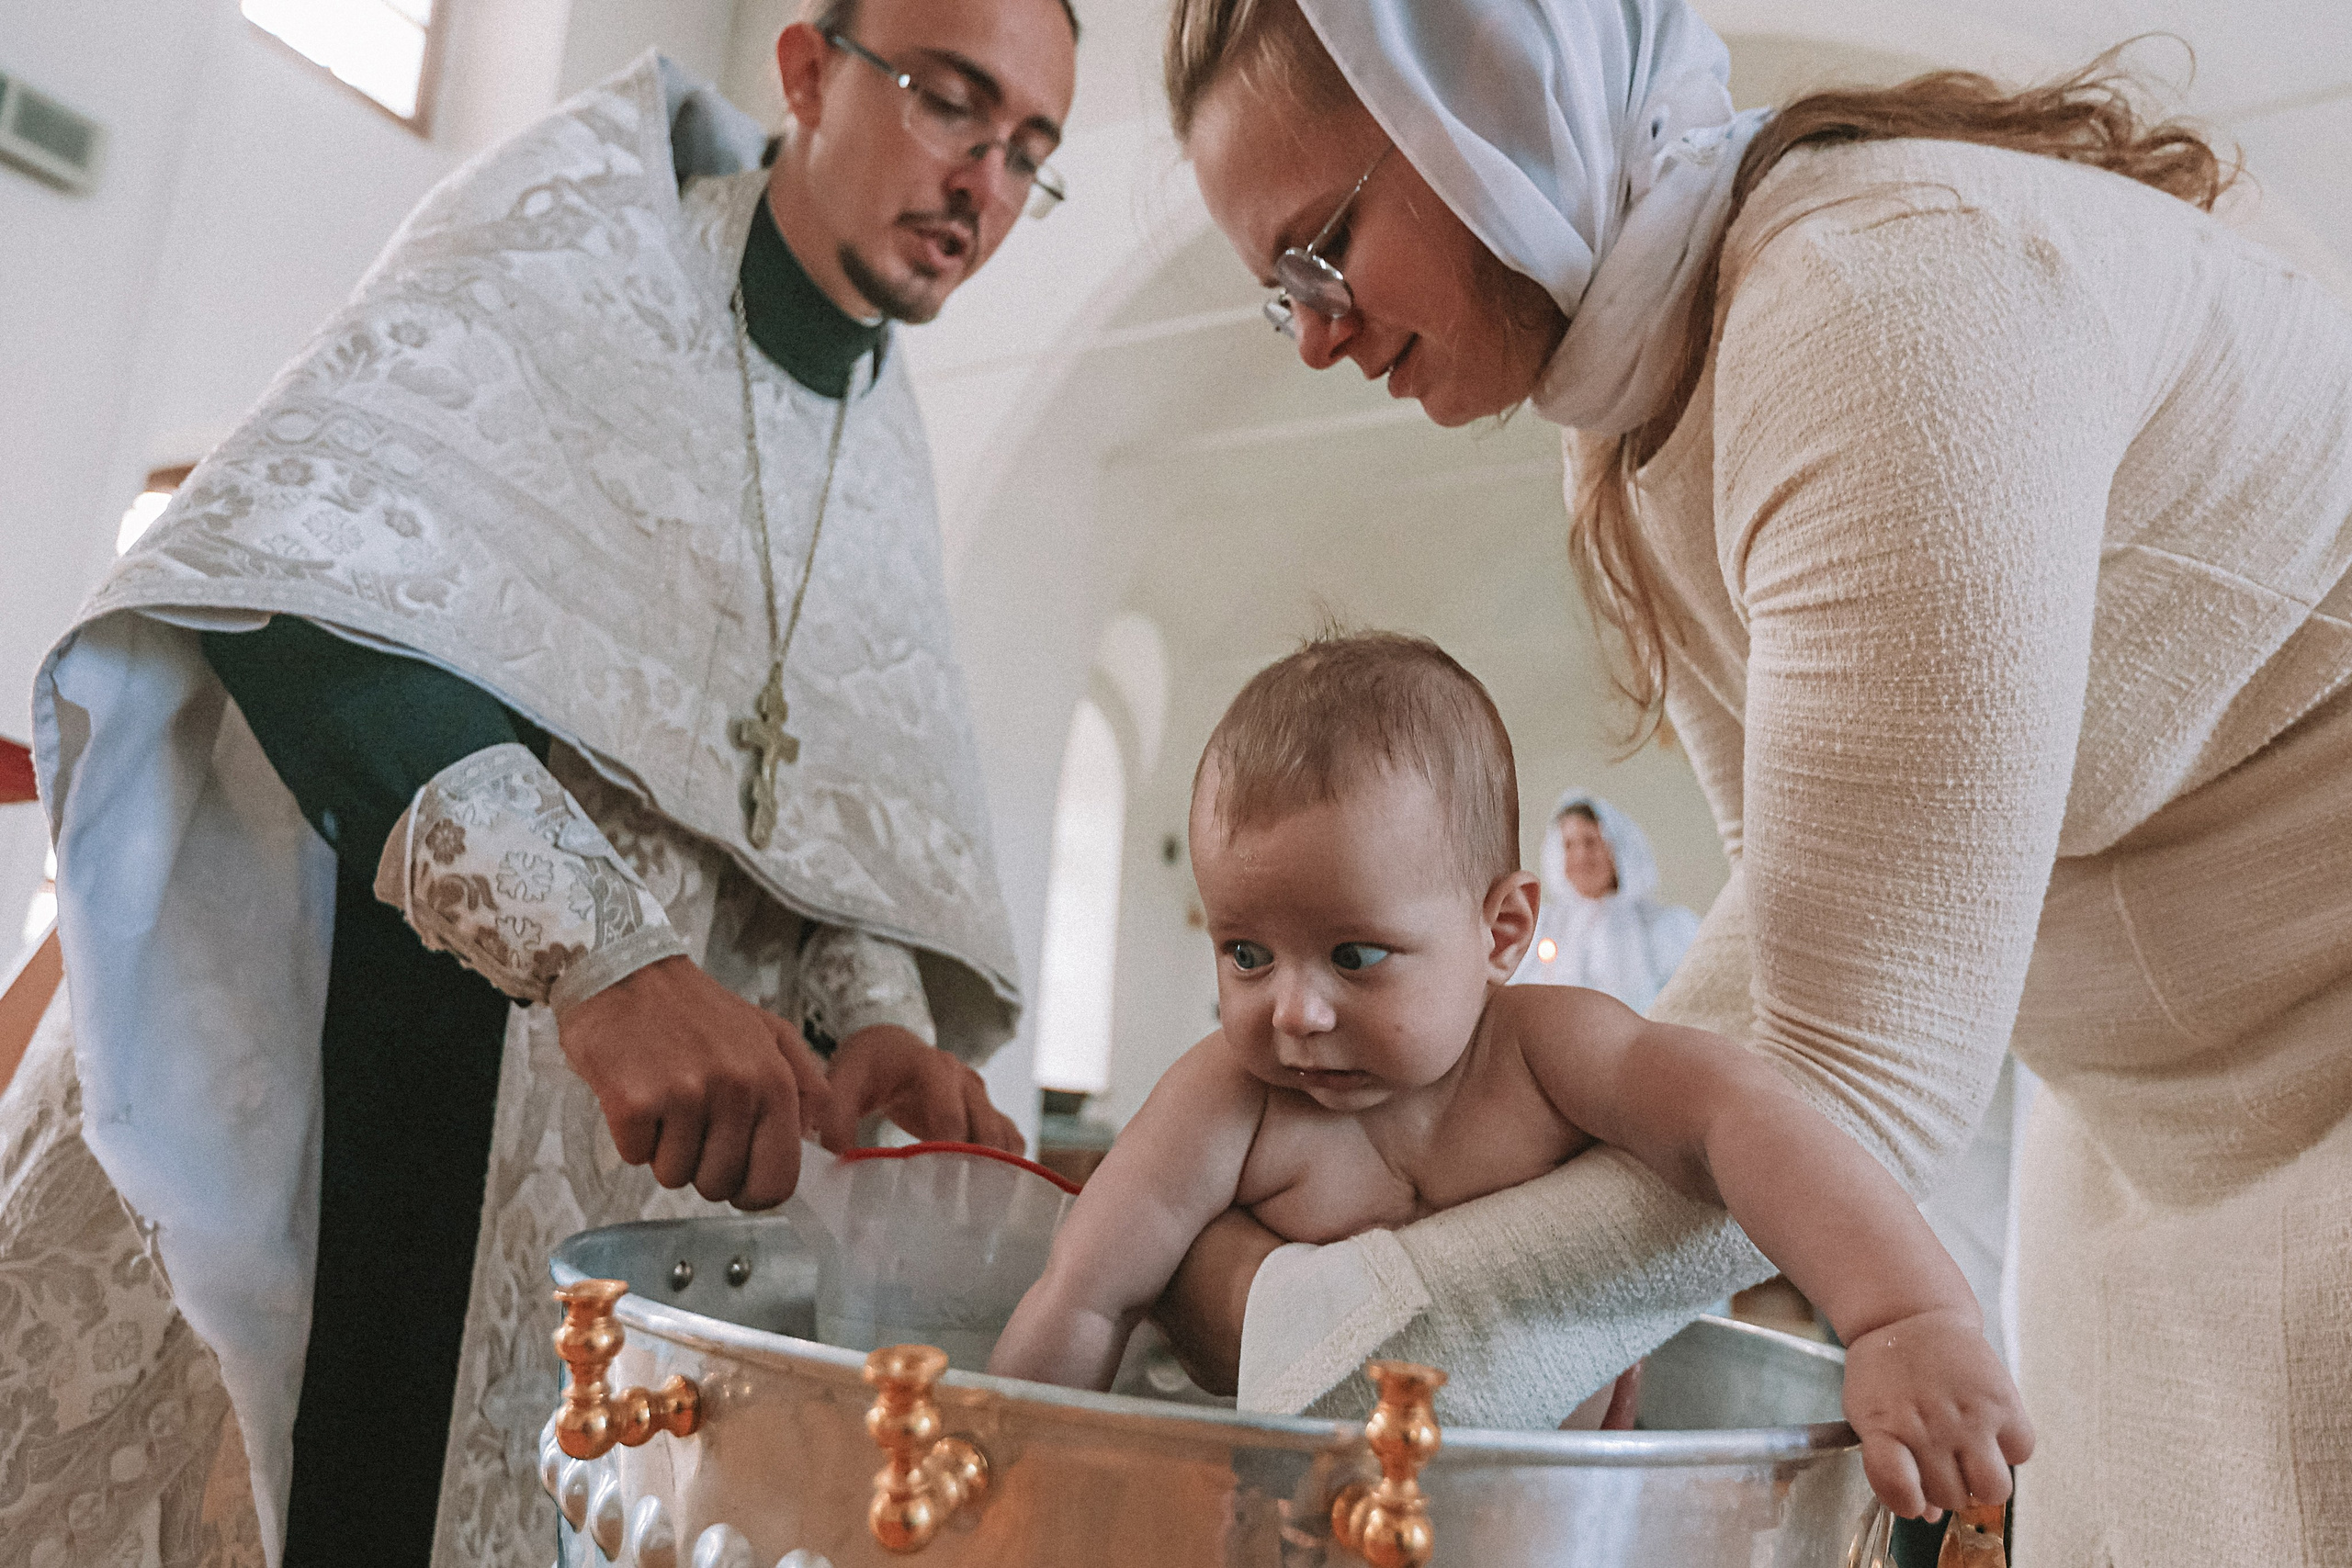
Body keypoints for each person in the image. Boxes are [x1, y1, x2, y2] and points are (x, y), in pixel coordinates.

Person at [1149, 0, 2352, 1561]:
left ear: (1491, 107)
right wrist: (1543, 1237)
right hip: (2144, 1120)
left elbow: (1854, 1067)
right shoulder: (1628, 414)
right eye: (1280, 297)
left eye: (1320, 251)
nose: (1315, 333)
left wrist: (1338, 1308)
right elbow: (1785, 929)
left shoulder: (1875, 314)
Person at [4, 1, 1078, 1562]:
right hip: (377, 1076)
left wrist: (880, 1022)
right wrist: (604, 957)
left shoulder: (880, 438)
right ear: (805, 70)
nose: (984, 180)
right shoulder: (577, 230)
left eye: (1030, 151)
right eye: (949, 102)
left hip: (629, 1212)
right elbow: (296, 586)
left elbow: (807, 805)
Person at [991, 634, 2033, 1518]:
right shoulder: (1225, 1101)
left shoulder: (1547, 1053)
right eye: (1246, 954)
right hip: (1291, 1526)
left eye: (1354, 955)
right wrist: (1000, 1483)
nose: (1294, 1011)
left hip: (1549, 1521)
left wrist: (1903, 1317)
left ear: (1500, 931)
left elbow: (1738, 1115)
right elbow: (1085, 1294)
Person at [1510, 789, 1697, 1012]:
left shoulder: (1662, 927)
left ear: (1616, 849)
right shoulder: (1542, 927)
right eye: (1569, 845)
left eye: (1590, 842)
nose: (1581, 856)